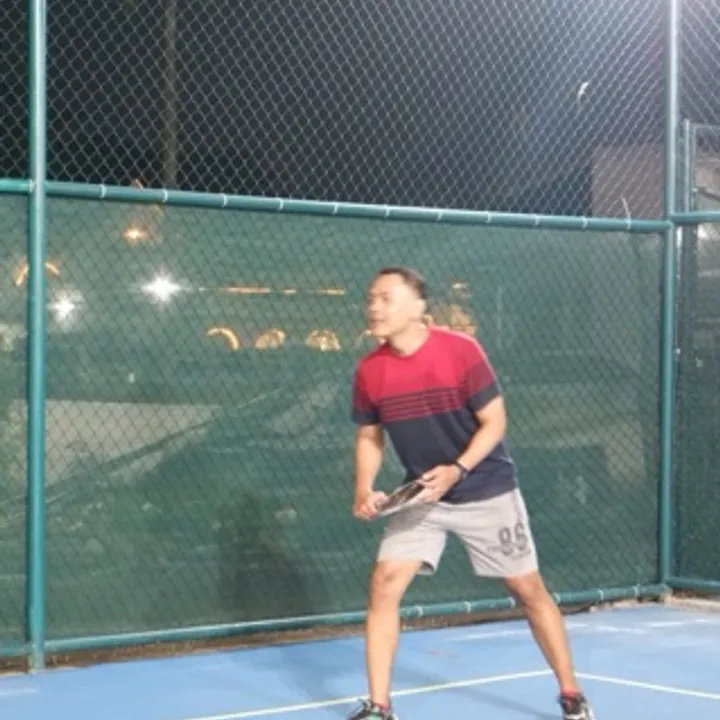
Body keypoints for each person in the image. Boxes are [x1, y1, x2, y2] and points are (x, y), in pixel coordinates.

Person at [348, 267, 594, 720]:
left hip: (486, 489)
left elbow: (494, 422)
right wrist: (363, 487)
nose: (374, 307)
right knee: (384, 584)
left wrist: (458, 469)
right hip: (423, 494)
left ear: (418, 306)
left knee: (527, 589)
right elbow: (369, 436)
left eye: (386, 298)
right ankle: (380, 706)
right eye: (370, 298)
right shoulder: (369, 370)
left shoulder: (461, 350)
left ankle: (571, 694)